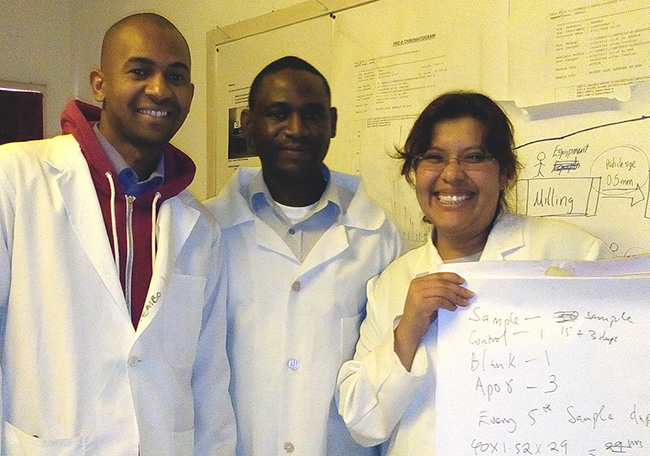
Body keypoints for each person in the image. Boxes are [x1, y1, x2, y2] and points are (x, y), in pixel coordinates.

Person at [0, 13, 235, 455]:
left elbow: (209, 378)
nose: (160, 90)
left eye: (177, 76)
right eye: (139, 70)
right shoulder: (15, 179)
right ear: (100, 84)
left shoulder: (199, 228)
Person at [336, 91, 612, 455]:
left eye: (474, 157)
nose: (452, 175)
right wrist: (407, 331)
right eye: (434, 158)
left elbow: (616, 390)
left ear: (504, 174)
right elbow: (364, 425)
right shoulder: (392, 282)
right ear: (414, 173)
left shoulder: (573, 255)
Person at [205, 56, 404, 455]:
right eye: (278, 114)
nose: (296, 130)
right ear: (247, 123)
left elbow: (387, 374)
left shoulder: (378, 236)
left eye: (311, 115)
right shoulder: (207, 230)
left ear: (332, 122)